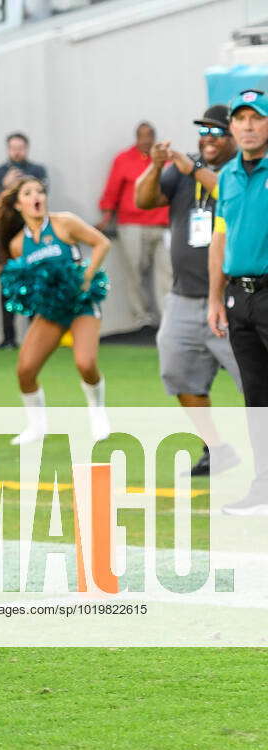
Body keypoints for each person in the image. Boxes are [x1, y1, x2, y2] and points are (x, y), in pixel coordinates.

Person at [135, 104, 241, 476]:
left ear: (234, 137)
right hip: (184, 298)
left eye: (216, 133)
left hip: (237, 298)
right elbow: (143, 200)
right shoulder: (182, 171)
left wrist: (194, 168)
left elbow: (230, 194)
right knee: (178, 374)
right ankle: (216, 448)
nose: (207, 139)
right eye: (204, 131)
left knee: (257, 385)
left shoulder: (246, 170)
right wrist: (154, 165)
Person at [0, 178, 111, 445]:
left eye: (40, 191)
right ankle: (37, 426)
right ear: (18, 204)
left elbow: (102, 243)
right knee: (25, 370)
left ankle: (98, 413)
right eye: (28, 193)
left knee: (85, 363)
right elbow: (18, 277)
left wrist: (86, 276)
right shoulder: (17, 244)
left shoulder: (64, 222)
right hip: (51, 310)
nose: (36, 196)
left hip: (81, 303)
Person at [207, 89, 268, 516]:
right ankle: (264, 490)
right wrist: (214, 297)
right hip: (239, 298)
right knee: (258, 398)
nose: (248, 126)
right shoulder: (226, 176)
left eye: (257, 118)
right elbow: (220, 238)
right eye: (240, 119)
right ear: (231, 127)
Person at [97, 122, 170, 329]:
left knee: (166, 272)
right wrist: (106, 215)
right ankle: (142, 318)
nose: (146, 140)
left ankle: (167, 318)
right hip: (132, 224)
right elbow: (112, 190)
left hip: (162, 224)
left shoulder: (166, 159)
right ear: (136, 137)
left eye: (150, 135)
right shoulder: (124, 159)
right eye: (142, 136)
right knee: (135, 271)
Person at [0, 132, 48, 348]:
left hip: (33, 235)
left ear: (27, 148)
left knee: (36, 284)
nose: (17, 151)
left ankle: (37, 336)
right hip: (6, 236)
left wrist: (23, 186)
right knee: (8, 284)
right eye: (13, 147)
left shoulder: (37, 171)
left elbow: (41, 201)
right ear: (7, 149)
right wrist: (7, 186)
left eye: (20, 147)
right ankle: (9, 338)